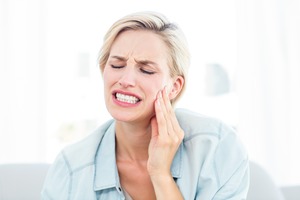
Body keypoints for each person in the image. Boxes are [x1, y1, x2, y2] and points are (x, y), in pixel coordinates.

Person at [41, 11, 249, 200]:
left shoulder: (218, 149)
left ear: (174, 87)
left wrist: (160, 175)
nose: (126, 79)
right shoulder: (70, 170)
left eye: (146, 70)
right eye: (117, 65)